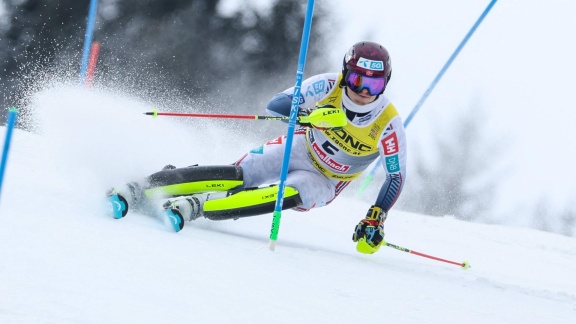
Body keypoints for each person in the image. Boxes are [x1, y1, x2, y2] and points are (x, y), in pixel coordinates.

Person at [107, 41, 407, 254]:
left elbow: (395, 176)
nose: (363, 92)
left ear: (386, 83)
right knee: (241, 175)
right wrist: (308, 116)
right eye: (356, 80)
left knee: (288, 195)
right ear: (344, 74)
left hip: (327, 179)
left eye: (374, 86)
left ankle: (199, 206)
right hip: (301, 146)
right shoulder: (326, 86)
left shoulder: (388, 123)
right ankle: (150, 184)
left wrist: (376, 214)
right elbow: (276, 104)